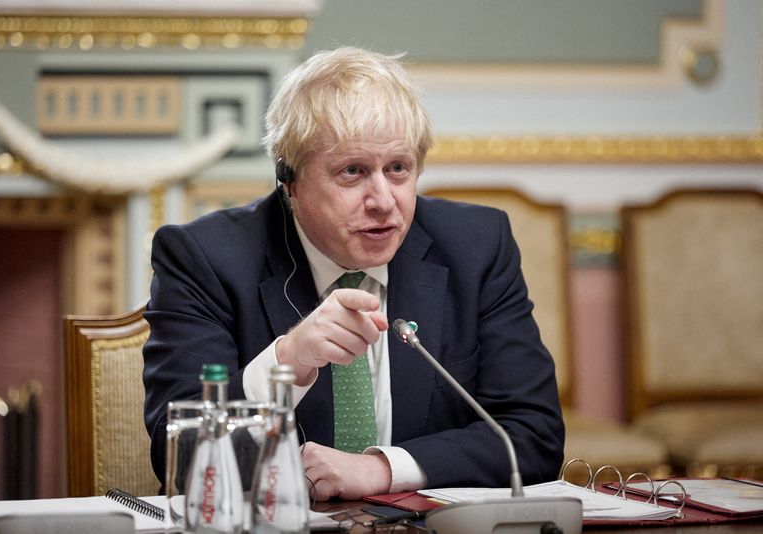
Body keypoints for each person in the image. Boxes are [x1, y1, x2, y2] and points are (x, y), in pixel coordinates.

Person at [143, 47, 564, 501]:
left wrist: (383, 469)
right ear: (290, 181)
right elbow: (182, 459)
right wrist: (287, 360)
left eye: (398, 169)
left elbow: (533, 435)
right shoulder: (205, 259)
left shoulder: (476, 246)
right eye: (352, 172)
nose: (383, 200)